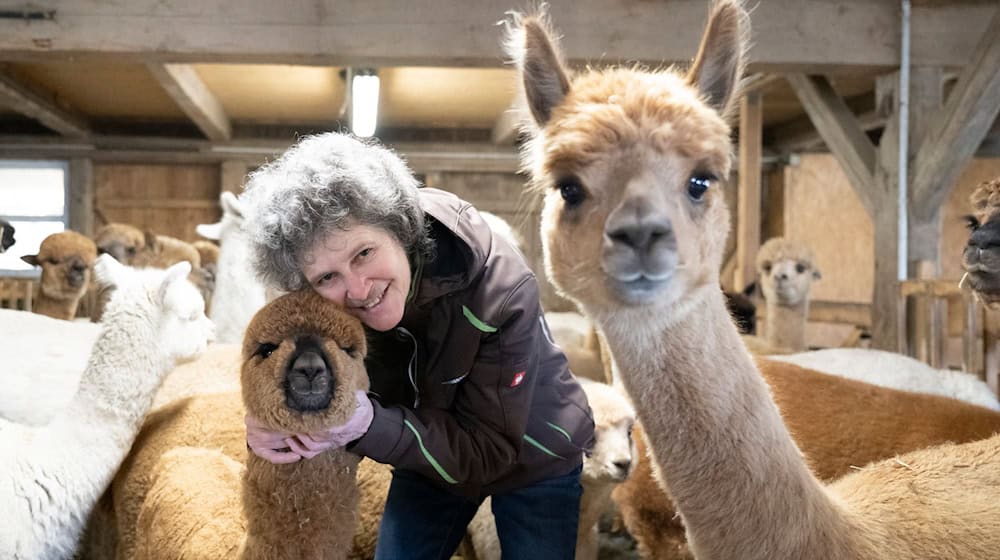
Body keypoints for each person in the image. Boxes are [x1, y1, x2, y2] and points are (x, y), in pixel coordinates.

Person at [241, 132, 595, 560]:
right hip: (425, 448)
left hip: (535, 455)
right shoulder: (331, 311)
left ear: (400, 228)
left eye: (364, 253)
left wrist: (367, 425)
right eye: (326, 277)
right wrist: (273, 425)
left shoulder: (499, 291)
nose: (357, 289)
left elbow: (491, 451)